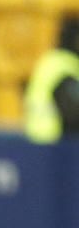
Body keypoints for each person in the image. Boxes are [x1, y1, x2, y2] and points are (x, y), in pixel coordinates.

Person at [26, 15, 79, 144]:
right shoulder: (64, 67)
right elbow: (73, 111)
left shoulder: (51, 62)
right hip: (56, 145)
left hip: (39, 140)